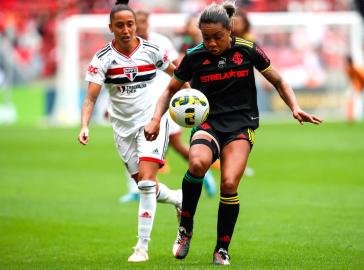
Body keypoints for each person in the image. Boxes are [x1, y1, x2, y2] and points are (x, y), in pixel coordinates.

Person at [144, 1, 322, 265]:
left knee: (229, 184)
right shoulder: (195, 55)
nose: (212, 43)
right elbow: (169, 90)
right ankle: (185, 229)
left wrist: (294, 107)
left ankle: (222, 248)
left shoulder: (248, 50)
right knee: (196, 163)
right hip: (209, 123)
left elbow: (278, 80)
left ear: (230, 30)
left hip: (241, 124)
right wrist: (156, 118)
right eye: (207, 37)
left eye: (217, 37)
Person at [78, 4, 184, 263]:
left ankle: (141, 247)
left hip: (153, 123)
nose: (126, 30)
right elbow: (91, 98)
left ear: (136, 25)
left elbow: (178, 74)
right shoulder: (102, 58)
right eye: (120, 25)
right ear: (111, 28)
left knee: (147, 184)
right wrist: (84, 125)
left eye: (130, 24)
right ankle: (180, 198)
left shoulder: (152, 50)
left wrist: (189, 97)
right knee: (146, 187)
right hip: (122, 129)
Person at [118, 9, 216, 203]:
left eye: (143, 22)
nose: (140, 26)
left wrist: (184, 88)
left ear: (147, 23)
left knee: (176, 144)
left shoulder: (160, 42)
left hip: (164, 100)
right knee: (132, 144)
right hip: (139, 104)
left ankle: (204, 172)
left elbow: (177, 65)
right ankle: (136, 188)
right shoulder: (126, 46)